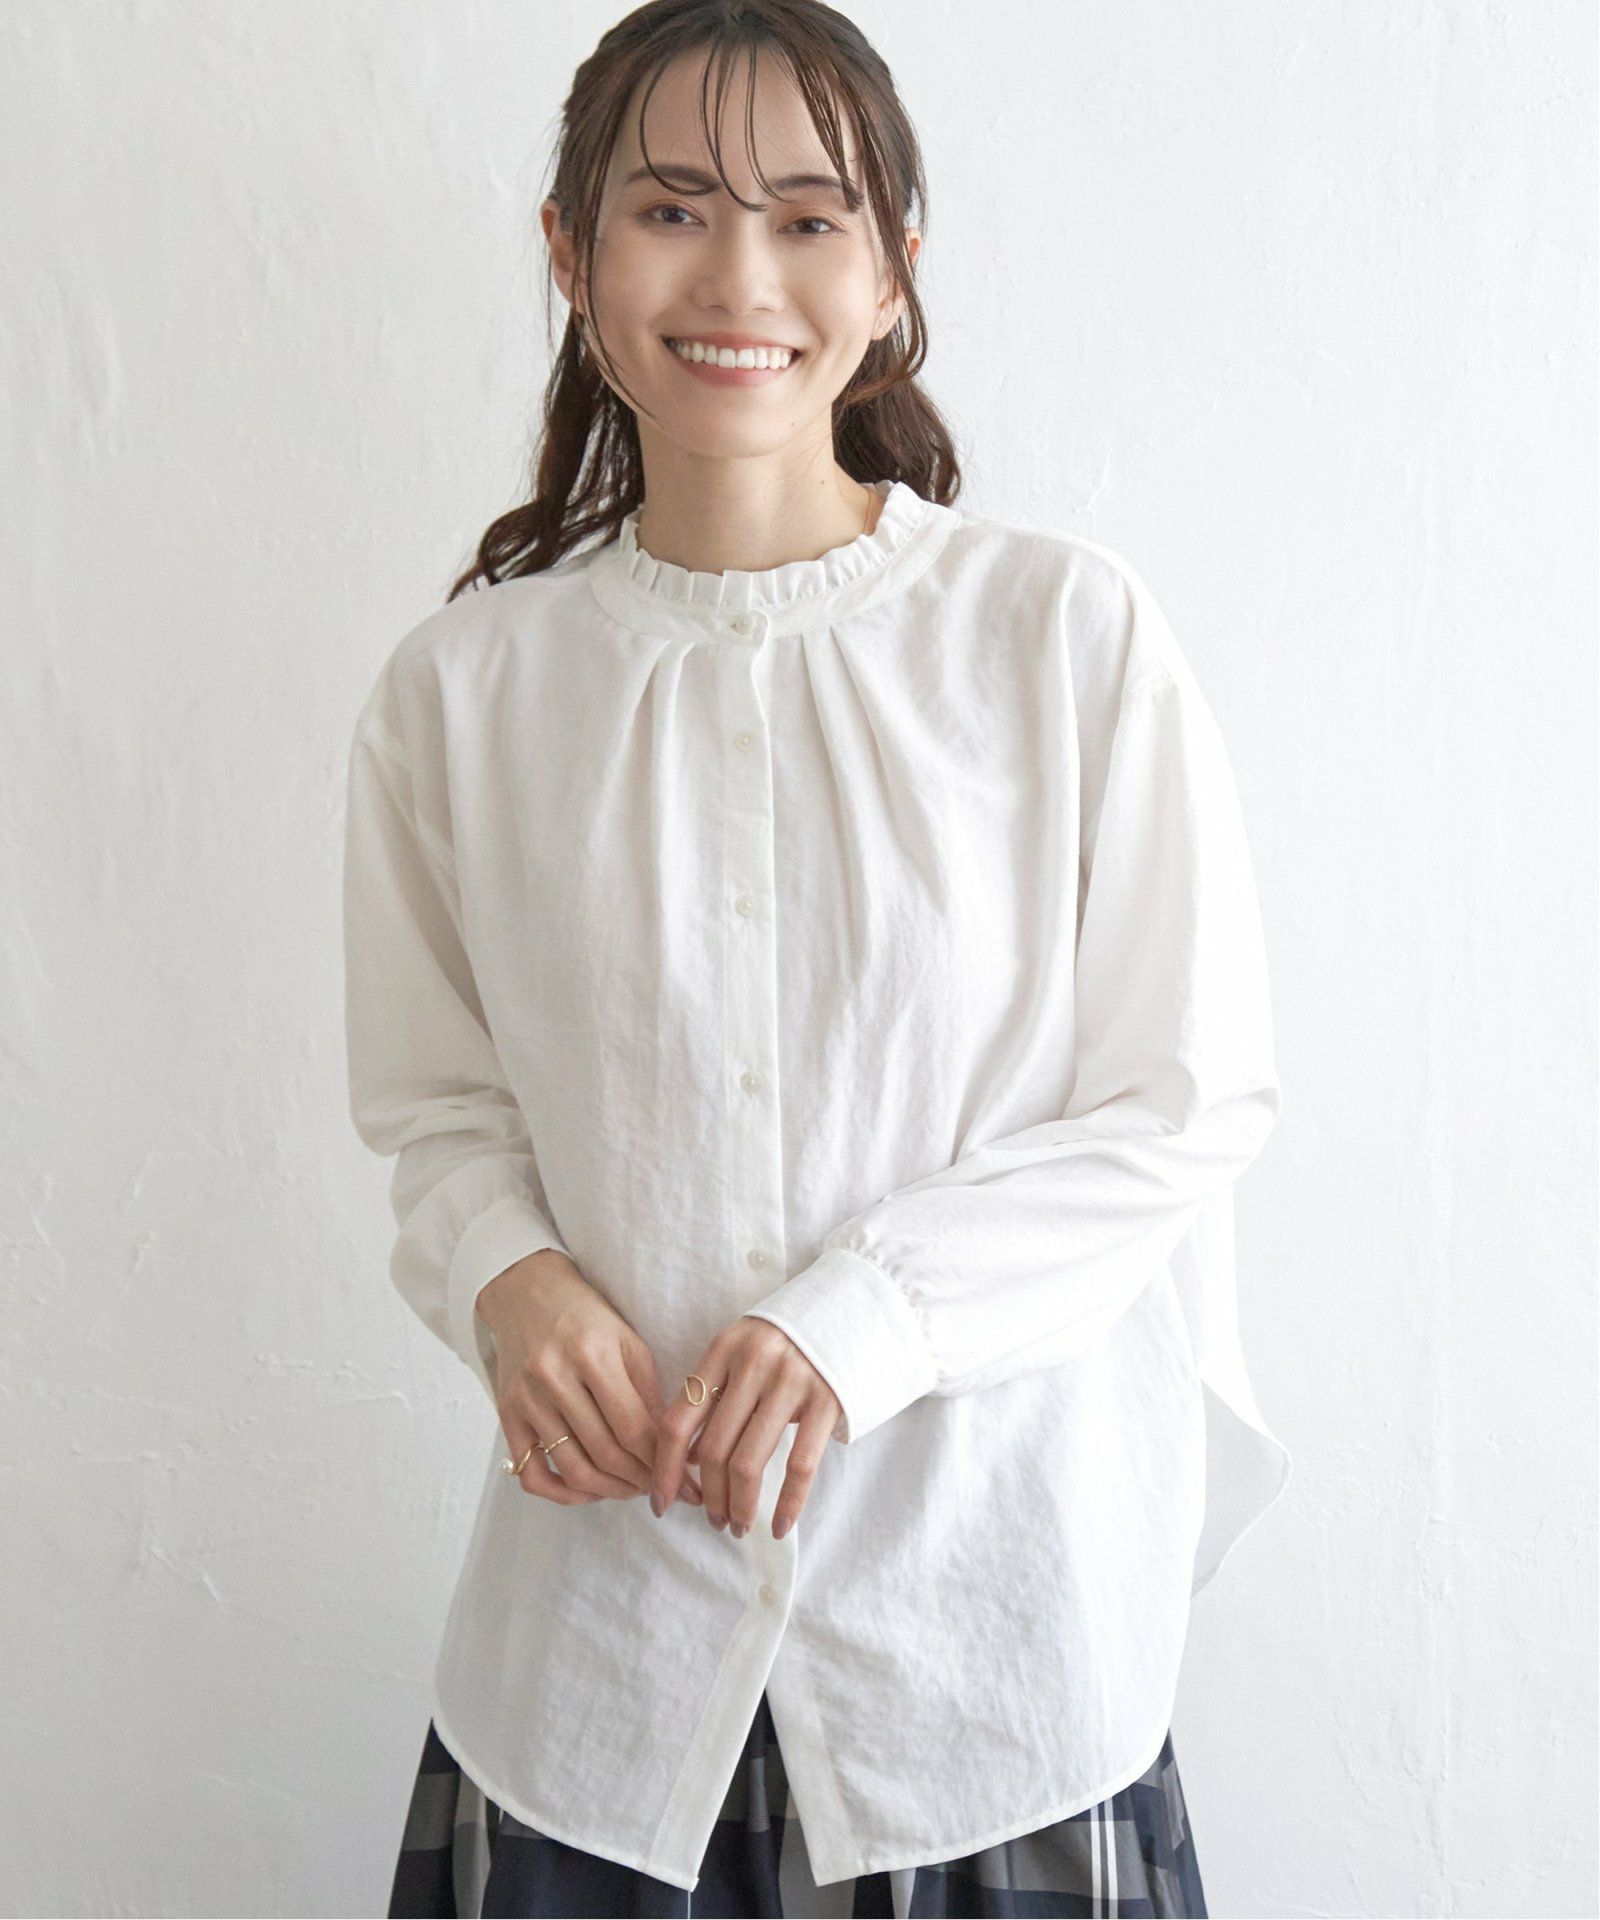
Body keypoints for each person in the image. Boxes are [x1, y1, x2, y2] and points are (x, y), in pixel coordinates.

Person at [343, 3, 1290, 1914]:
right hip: (599, 1683)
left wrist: (862, 1323)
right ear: (570, 251)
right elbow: (437, 1109)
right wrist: (507, 1274)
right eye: (671, 210)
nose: (739, 279)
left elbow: (1181, 1104)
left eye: (805, 218)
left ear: (893, 272)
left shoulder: (1060, 636)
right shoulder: (463, 695)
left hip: (989, 1663)